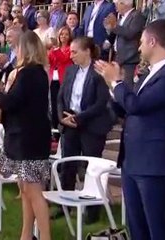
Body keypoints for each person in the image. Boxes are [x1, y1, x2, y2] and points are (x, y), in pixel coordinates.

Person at [94, 19, 165, 240]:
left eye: (141, 42)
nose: (138, 47)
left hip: (154, 163)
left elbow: (137, 105)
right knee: (137, 227)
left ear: (153, 41)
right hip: (133, 161)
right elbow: (130, 110)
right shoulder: (150, 74)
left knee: (157, 228)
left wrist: (117, 83)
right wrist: (113, 92)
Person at [0, 30, 52, 240]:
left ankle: (45, 237)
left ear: (24, 48)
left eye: (16, 47)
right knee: (25, 189)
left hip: (28, 139)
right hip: (25, 136)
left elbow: (10, 102)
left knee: (33, 191)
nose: (14, 51)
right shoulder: (35, 72)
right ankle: (26, 235)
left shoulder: (30, 73)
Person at [55, 37, 113, 223]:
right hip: (70, 123)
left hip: (91, 125)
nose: (70, 55)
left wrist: (79, 118)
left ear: (87, 51)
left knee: (91, 169)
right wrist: (62, 117)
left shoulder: (98, 72)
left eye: (74, 52)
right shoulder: (71, 71)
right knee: (68, 165)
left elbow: (101, 102)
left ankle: (92, 211)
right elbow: (61, 96)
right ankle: (64, 206)